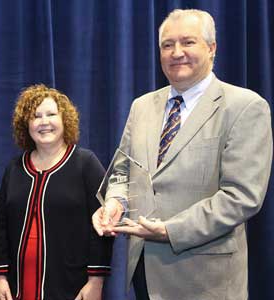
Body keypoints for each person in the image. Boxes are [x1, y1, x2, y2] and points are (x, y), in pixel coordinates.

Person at [92, 9, 272, 300]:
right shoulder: (142, 106)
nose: (177, 53)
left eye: (188, 42)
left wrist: (170, 231)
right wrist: (115, 201)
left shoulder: (245, 106)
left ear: (211, 48)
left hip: (204, 279)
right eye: (167, 45)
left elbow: (242, 196)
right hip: (144, 273)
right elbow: (123, 169)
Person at [0, 84, 113, 300]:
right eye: (36, 116)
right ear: (26, 124)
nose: (44, 122)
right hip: (19, 286)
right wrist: (0, 277)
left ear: (64, 120)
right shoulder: (15, 168)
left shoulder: (85, 163)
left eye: (51, 114)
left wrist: (96, 280)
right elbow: (1, 227)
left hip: (71, 286)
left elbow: (103, 228)